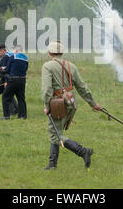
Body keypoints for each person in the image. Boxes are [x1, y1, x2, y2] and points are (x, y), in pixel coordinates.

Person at [41, 41, 101, 170]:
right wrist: (93, 103)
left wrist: (47, 105)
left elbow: (46, 90)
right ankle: (52, 164)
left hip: (57, 104)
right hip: (71, 103)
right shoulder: (71, 66)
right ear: (62, 52)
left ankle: (83, 151)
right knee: (57, 131)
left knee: (54, 134)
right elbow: (82, 87)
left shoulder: (47, 66)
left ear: (50, 52)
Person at [1, 45, 28, 120]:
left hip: (13, 79)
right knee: (21, 98)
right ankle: (23, 115)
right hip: (22, 80)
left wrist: (3, 69)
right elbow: (25, 69)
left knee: (5, 96)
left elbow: (7, 70)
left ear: (16, 50)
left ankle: (6, 116)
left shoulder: (13, 57)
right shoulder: (26, 58)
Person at [0, 44, 18, 115]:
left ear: (3, 50)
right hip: (9, 78)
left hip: (6, 79)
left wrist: (6, 81)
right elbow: (2, 70)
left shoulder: (5, 57)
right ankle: (16, 110)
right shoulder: (7, 56)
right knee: (9, 95)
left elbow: (6, 71)